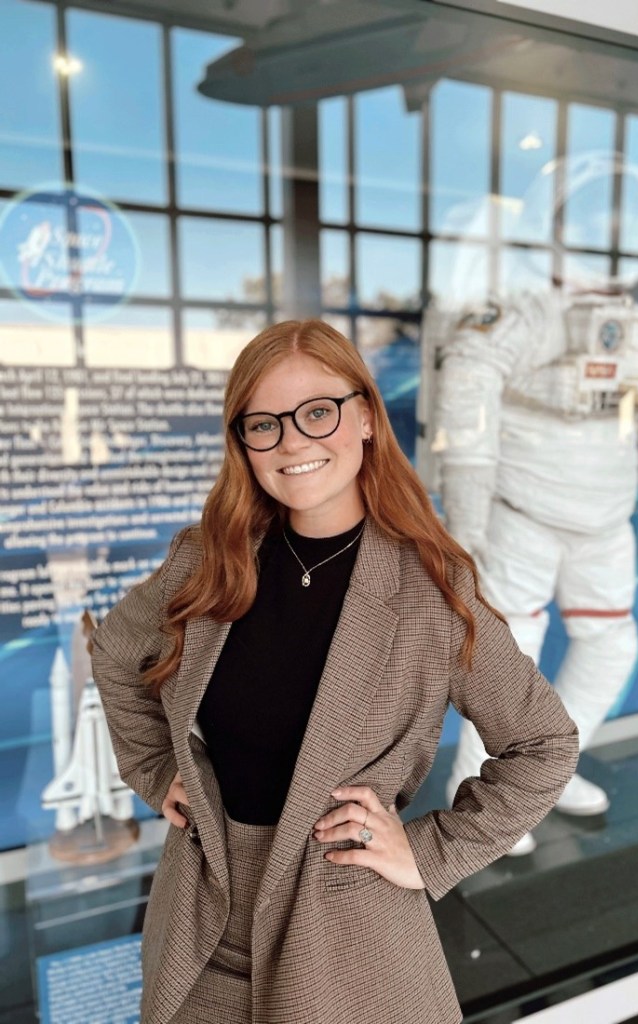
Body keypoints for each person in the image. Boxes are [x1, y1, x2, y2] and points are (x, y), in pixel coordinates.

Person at [91, 318, 578, 1024]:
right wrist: (157, 768)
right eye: (264, 424)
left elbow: (543, 745)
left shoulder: (431, 590)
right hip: (202, 930)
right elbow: (115, 653)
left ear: (367, 418)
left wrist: (429, 851)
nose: (292, 442)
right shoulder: (208, 558)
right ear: (243, 445)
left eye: (317, 412)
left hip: (346, 941)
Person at [431, 289, 638, 855]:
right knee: (509, 653)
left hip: (605, 520)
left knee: (610, 643)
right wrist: (469, 520)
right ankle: (480, 790)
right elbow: (467, 389)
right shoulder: (521, 313)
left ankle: (543, 776)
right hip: (520, 511)